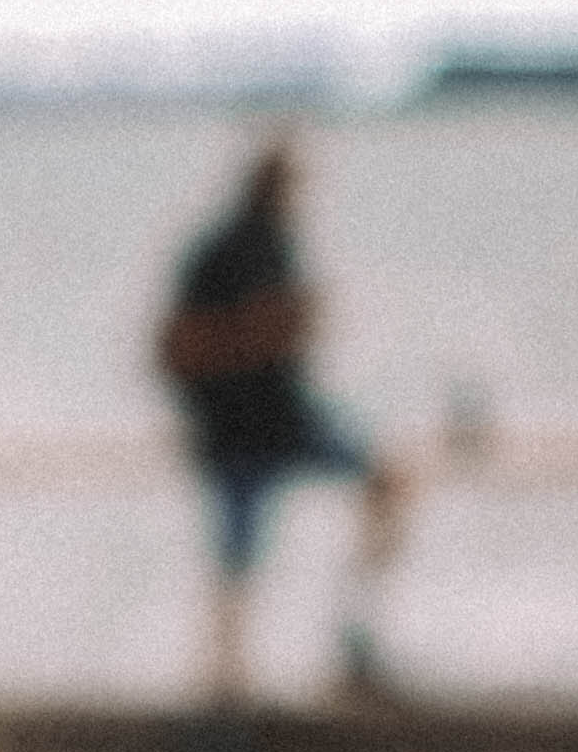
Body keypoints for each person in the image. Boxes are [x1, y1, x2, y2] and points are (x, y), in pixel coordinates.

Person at [157, 140, 404, 706]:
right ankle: (226, 694)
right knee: (236, 565)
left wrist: (288, 327)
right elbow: (177, 349)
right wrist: (264, 331)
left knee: (385, 482)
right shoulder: (221, 254)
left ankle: (350, 640)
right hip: (236, 433)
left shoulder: (274, 248)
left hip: (281, 422)